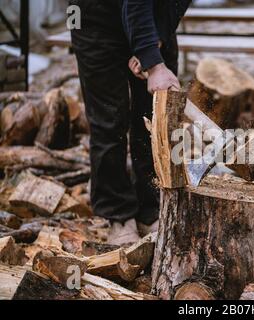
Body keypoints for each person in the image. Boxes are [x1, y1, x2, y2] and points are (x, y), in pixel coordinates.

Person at [69, 0, 191, 245]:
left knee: (155, 118)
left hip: (153, 11)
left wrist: (157, 38)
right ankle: (118, 213)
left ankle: (151, 207)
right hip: (93, 16)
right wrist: (154, 63)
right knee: (109, 120)